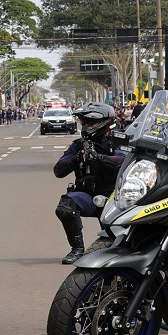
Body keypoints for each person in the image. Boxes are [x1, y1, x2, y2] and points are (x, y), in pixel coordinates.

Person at [53, 103, 125, 264]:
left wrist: (99, 158)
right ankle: (77, 250)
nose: (86, 126)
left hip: (116, 199)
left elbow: (123, 160)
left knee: (117, 244)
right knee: (66, 205)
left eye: (90, 122)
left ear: (106, 121)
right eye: (83, 122)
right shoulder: (78, 145)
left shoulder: (118, 141)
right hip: (90, 198)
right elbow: (58, 171)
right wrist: (76, 158)